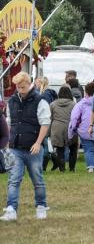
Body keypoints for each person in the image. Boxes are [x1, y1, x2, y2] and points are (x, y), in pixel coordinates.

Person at [2, 73, 51, 222]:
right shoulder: (12, 101)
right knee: (14, 178)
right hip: (15, 147)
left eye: (22, 87)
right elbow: (10, 122)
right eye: (18, 87)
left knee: (37, 178)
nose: (20, 90)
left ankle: (41, 206)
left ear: (29, 84)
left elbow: (45, 123)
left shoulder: (40, 100)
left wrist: (38, 143)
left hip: (34, 148)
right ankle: (11, 209)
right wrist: (7, 142)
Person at [69, 82, 94, 173]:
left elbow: (74, 118)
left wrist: (72, 130)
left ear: (85, 92)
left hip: (84, 130)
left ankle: (91, 167)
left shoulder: (81, 104)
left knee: (88, 149)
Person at [49, 85, 76, 172]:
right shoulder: (73, 104)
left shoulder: (53, 104)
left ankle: (62, 169)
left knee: (60, 150)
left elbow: (50, 118)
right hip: (71, 127)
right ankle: (72, 168)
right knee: (73, 148)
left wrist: (48, 132)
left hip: (57, 128)